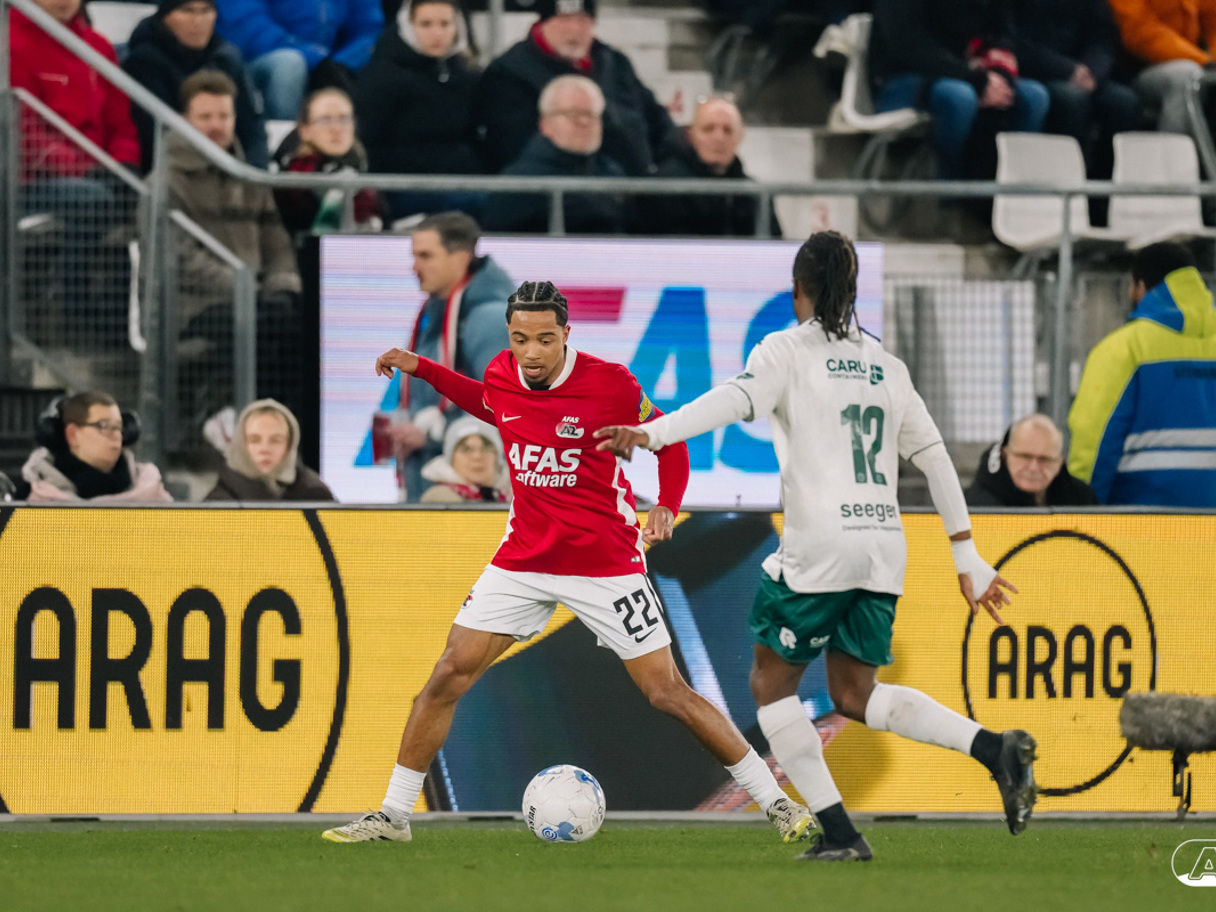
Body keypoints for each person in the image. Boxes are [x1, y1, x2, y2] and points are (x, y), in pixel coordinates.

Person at [595, 231, 1038, 861]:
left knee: (770, 689)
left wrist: (652, 433)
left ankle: (838, 832)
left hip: (820, 547)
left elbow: (733, 401)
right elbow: (935, 457)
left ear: (797, 289)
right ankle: (994, 749)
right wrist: (966, 554)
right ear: (851, 292)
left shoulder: (785, 350)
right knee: (854, 693)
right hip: (882, 546)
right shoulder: (885, 365)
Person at [321, 280, 815, 845]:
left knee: (667, 692)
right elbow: (488, 401)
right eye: (520, 339)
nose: (530, 352)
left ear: (566, 335)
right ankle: (393, 816)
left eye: (544, 339)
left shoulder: (610, 384)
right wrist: (424, 369)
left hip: (605, 564)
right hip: (524, 559)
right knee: (447, 674)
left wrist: (667, 506)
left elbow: (670, 443)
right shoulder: (504, 372)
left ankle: (778, 804)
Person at [169, 71, 304, 428]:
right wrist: (245, 288)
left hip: (254, 298)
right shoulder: (167, 181)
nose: (216, 125)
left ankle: (287, 429)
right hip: (193, 306)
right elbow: (179, 257)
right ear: (184, 120)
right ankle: (249, 425)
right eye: (205, 116)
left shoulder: (248, 177)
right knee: (261, 326)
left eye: (223, 116)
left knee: (298, 319)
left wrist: (281, 287)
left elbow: (277, 244)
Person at [10, 0, 141, 322]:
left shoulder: (97, 46)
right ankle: (72, 302)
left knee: (146, 193)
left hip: (96, 170)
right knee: (92, 198)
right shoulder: (9, 43)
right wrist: (88, 169)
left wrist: (123, 163)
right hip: (28, 181)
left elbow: (121, 122)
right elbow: (23, 132)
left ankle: (125, 314)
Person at [1068, 242, 1216, 506]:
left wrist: (1082, 510)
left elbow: (1095, 440)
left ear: (1141, 286)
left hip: (1140, 515)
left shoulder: (1124, 348)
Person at [383, 212, 514, 500]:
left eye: (426, 256)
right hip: (432, 490)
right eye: (414, 256)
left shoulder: (488, 320)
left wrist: (433, 433)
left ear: (461, 258)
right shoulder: (438, 313)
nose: (415, 266)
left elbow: (505, 406)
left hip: (470, 503)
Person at [475, 0, 678, 176]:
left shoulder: (616, 64)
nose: (574, 29)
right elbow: (512, 148)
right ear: (543, 22)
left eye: (582, 20)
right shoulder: (509, 73)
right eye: (564, 19)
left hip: (635, 190)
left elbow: (657, 122)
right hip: (560, 193)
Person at [869, 0, 1050, 180]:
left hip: (963, 72)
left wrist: (999, 74)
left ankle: (1014, 186)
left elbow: (1001, 33)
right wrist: (976, 80)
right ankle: (949, 188)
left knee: (1034, 96)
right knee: (960, 97)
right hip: (900, 78)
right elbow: (906, 44)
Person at [355, 0, 485, 221]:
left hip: (459, 182)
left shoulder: (467, 77)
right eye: (426, 24)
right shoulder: (381, 77)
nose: (437, 33)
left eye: (445, 24)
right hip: (400, 188)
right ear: (407, 26)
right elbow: (368, 147)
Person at [123, 0, 270, 170]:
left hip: (233, 173)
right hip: (174, 171)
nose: (198, 21)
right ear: (165, 16)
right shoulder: (144, 62)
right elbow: (154, 134)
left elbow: (252, 126)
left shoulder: (228, 58)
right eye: (187, 11)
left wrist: (255, 173)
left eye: (206, 10)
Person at [481, 75, 626, 234]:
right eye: (572, 113)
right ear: (544, 124)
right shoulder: (519, 182)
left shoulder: (612, 172)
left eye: (592, 114)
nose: (584, 122)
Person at [1013, 0, 1141, 177]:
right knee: (1073, 101)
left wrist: (1093, 72)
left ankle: (1105, 184)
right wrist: (1067, 70)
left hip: (1086, 74)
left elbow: (1103, 38)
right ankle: (1068, 178)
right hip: (1037, 71)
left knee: (1124, 103)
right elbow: (1016, 42)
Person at [633, 93, 780, 237]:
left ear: (740, 137)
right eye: (708, 129)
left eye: (727, 130)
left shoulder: (755, 195)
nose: (718, 138)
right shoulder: (661, 189)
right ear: (691, 135)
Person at [215, 0, 385, 119]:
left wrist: (344, 62)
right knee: (289, 65)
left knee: (375, 68)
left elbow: (368, 28)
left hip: (327, 63)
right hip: (255, 64)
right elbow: (248, 27)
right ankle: (284, 141)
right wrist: (316, 59)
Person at [15, 392, 172, 503]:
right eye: (103, 425)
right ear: (72, 434)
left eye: (118, 427)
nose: (116, 435)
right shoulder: (30, 500)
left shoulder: (153, 495)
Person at [272, 87, 381, 236]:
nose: (336, 129)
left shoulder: (365, 175)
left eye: (344, 119)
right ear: (304, 130)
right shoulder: (291, 185)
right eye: (324, 120)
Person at [1108, 0, 1216, 137]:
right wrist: (1203, 60)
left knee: (1195, 74)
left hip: (1193, 61)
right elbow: (1140, 34)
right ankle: (1171, 149)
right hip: (1133, 70)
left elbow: (1213, 23)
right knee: (1186, 76)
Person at [204, 399, 336, 501]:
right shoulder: (219, 503)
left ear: (289, 445)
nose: (265, 449)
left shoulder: (315, 495)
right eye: (255, 440)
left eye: (275, 440)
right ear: (242, 444)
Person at [965, 414, 1099, 507]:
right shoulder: (976, 506)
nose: (1033, 467)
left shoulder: (1081, 500)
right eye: (1025, 457)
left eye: (1045, 459)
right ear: (1005, 455)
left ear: (1060, 463)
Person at [419, 415, 510, 503]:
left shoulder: (512, 497)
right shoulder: (438, 499)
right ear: (451, 459)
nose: (477, 456)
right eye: (466, 450)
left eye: (485, 448)